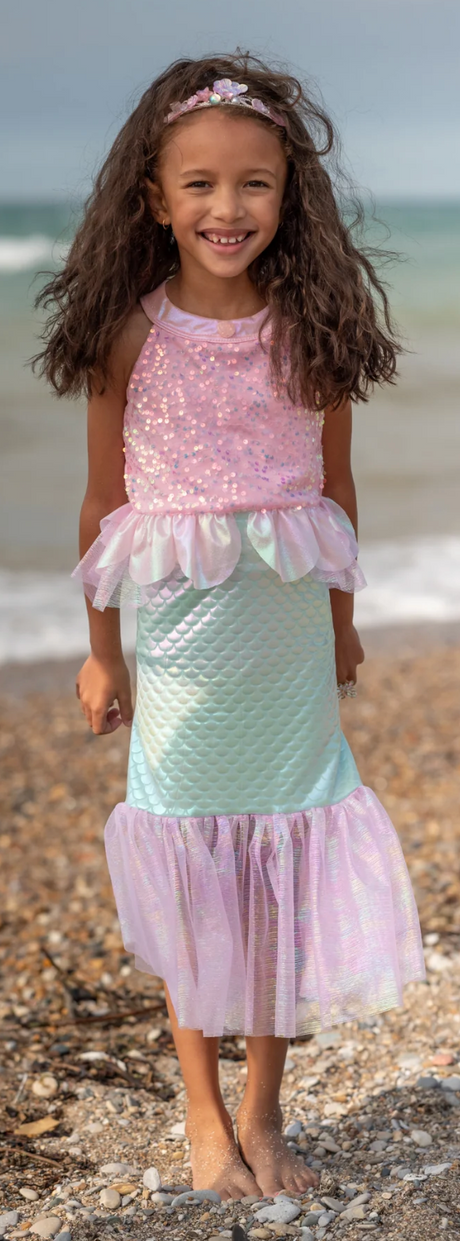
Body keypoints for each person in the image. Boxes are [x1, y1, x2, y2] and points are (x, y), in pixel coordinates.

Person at [33, 52, 426, 1201]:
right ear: (154, 199)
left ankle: (264, 1109)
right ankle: (203, 1117)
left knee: (281, 862)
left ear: (287, 196)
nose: (226, 207)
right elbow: (104, 505)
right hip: (183, 640)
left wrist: (345, 626)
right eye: (199, 184)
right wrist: (101, 650)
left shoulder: (310, 331)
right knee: (190, 855)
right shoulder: (125, 333)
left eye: (253, 184)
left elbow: (335, 497)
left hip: (286, 640)